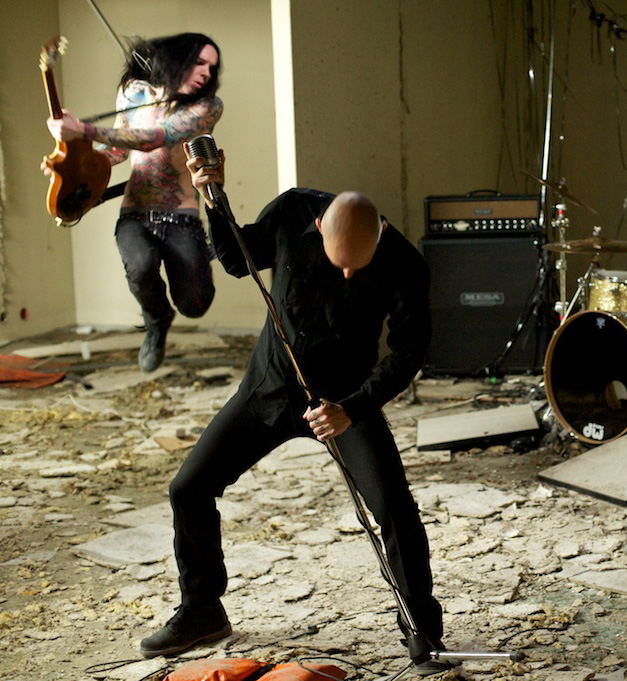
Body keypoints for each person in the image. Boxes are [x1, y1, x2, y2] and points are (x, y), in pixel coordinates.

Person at [137, 149, 452, 676]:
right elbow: (237, 259)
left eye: (359, 265)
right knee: (187, 488)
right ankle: (202, 611)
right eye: (339, 261)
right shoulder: (292, 212)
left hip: (343, 401)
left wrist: (352, 408)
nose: (348, 273)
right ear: (319, 227)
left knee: (395, 509)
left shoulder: (404, 263)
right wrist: (213, 198)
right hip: (269, 386)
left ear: (379, 235)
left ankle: (423, 630)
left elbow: (407, 354)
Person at [43, 33, 223, 372]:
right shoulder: (134, 92)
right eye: (199, 63)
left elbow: (155, 137)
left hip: (181, 217)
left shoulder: (206, 107)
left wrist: (83, 130)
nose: (206, 73)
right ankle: (157, 321)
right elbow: (118, 149)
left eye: (212, 68)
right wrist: (73, 166)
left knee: (195, 305)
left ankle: (200, 254)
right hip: (135, 212)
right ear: (177, 58)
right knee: (139, 267)